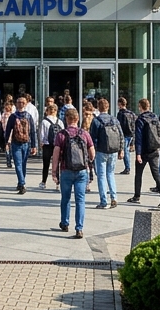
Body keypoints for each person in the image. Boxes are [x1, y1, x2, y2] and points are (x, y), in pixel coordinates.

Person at [52, 106, 96, 238]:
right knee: (80, 200)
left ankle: (65, 223)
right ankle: (79, 228)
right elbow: (92, 153)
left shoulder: (61, 135)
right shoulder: (84, 134)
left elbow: (56, 154)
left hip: (66, 170)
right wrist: (87, 161)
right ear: (77, 119)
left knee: (65, 198)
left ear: (66, 119)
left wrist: (54, 172)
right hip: (82, 171)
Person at [128, 99, 160, 208]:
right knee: (156, 174)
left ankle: (137, 196)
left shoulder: (140, 120)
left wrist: (138, 153)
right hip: (154, 150)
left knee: (138, 174)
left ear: (140, 106)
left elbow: (139, 138)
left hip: (144, 151)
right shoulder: (155, 117)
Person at [90, 98, 121, 210]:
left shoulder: (96, 121)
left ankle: (104, 201)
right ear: (108, 107)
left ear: (98, 107)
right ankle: (114, 197)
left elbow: (92, 138)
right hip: (113, 150)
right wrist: (121, 149)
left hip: (101, 151)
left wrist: (91, 152)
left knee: (101, 176)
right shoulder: (114, 120)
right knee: (110, 173)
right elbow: (120, 135)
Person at [5, 95, 37, 193]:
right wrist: (34, 145)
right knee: (22, 164)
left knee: (19, 164)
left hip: (16, 142)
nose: (20, 104)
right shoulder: (29, 116)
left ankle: (21, 183)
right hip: (26, 143)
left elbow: (8, 130)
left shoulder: (13, 116)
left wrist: (6, 142)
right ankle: (22, 182)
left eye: (21, 102)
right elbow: (32, 132)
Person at [37, 103, 61, 190]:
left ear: (47, 111)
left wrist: (41, 143)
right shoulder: (60, 121)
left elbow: (42, 134)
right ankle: (58, 183)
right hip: (57, 146)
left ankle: (43, 182)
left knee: (46, 165)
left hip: (47, 145)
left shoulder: (44, 121)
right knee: (57, 164)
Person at [116, 97, 136, 174]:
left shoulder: (120, 114)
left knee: (125, 151)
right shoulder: (131, 113)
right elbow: (134, 126)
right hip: (130, 134)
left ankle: (127, 168)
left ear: (120, 104)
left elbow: (119, 125)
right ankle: (127, 167)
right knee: (126, 150)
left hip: (124, 134)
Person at [0, 98, 16, 169]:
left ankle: (12, 160)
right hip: (6, 132)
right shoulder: (3, 115)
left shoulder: (13, 115)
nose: (7, 107)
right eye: (6, 106)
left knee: (12, 148)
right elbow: (2, 124)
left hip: (13, 133)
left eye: (9, 106)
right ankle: (8, 161)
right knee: (7, 148)